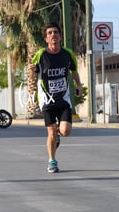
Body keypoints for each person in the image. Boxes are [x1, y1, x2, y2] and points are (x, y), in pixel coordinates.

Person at [31, 22, 82, 173]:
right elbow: (31, 71)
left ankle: (57, 138)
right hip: (47, 100)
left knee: (65, 131)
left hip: (64, 99)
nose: (53, 35)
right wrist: (32, 72)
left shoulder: (67, 54)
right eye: (50, 33)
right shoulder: (40, 55)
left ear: (60, 37)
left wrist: (78, 85)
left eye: (56, 33)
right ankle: (52, 161)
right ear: (46, 38)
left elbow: (74, 71)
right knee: (52, 131)